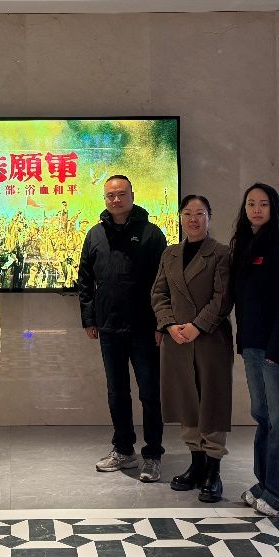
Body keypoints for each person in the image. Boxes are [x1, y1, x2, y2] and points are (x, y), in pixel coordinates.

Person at [79, 174, 168, 483]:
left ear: (132, 195)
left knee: (150, 393)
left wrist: (162, 323)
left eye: (121, 194)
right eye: (110, 195)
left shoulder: (152, 234)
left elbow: (163, 283)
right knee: (117, 391)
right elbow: (85, 279)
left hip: (145, 328)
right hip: (108, 327)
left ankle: (153, 454)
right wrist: (89, 318)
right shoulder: (95, 234)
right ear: (105, 199)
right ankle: (123, 449)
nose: (115, 200)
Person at [151, 194, 233, 502]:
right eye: (188, 213)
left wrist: (197, 326)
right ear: (180, 218)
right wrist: (169, 325)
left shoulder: (221, 253)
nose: (193, 219)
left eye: (200, 213)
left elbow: (223, 298)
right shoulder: (170, 254)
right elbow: (159, 293)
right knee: (186, 400)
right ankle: (196, 463)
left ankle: (213, 469)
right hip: (177, 340)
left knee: (212, 400)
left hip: (210, 338)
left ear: (209, 217)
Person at [230, 182, 279, 517]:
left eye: (263, 203)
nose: (257, 209)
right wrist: (243, 341)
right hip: (253, 345)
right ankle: (265, 483)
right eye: (251, 204)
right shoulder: (246, 244)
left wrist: (278, 347)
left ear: (274, 207)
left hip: (277, 349)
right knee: (263, 416)